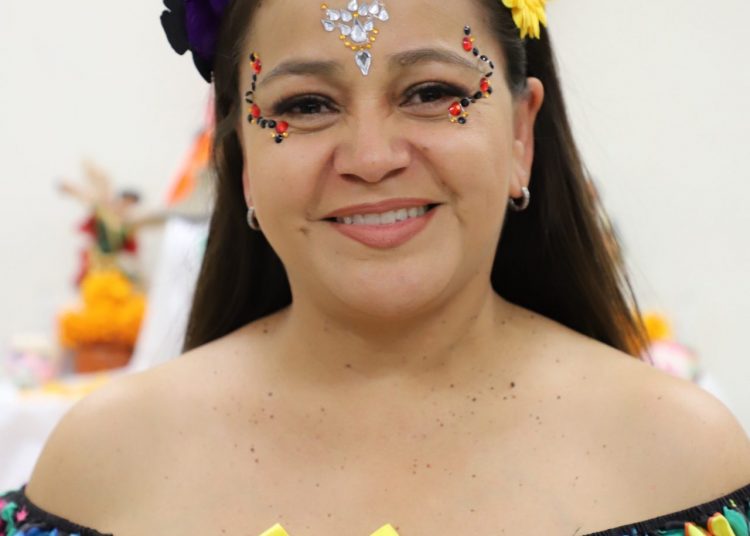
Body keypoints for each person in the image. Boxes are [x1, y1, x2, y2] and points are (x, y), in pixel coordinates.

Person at [3, 0, 749, 535]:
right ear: (241, 161)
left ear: (522, 134)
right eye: (305, 105)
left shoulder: (681, 457)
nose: (371, 158)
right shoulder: (102, 465)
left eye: (431, 93)